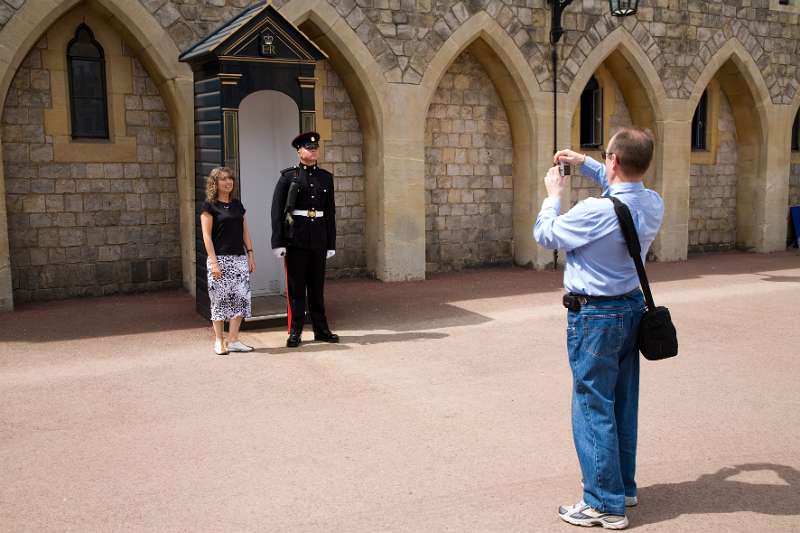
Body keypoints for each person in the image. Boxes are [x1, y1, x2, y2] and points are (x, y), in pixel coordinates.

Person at [533, 128, 664, 530]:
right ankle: (621, 486)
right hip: (629, 309)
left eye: (605, 157)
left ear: (614, 160)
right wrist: (584, 162)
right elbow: (620, 185)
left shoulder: (596, 211)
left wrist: (553, 195)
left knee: (592, 406)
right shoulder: (652, 202)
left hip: (595, 317)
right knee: (621, 402)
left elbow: (545, 235)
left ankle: (603, 504)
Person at [270, 132, 339, 348]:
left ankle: (321, 329)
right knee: (297, 288)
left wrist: (331, 243)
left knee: (317, 288)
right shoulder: (288, 177)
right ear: (299, 151)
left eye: (315, 148)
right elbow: (276, 212)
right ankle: (295, 331)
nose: (313, 151)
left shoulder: (326, 178)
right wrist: (278, 242)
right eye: (309, 148)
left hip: (318, 237)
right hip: (296, 238)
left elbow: (330, 212)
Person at [200, 167, 256, 355]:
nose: (228, 182)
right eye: (223, 179)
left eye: (230, 178)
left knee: (241, 298)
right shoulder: (209, 206)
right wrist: (214, 262)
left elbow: (245, 231)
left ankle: (233, 340)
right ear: (215, 183)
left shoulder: (237, 205)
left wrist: (250, 254)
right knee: (219, 300)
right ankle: (219, 340)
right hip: (219, 260)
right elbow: (206, 237)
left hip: (239, 259)